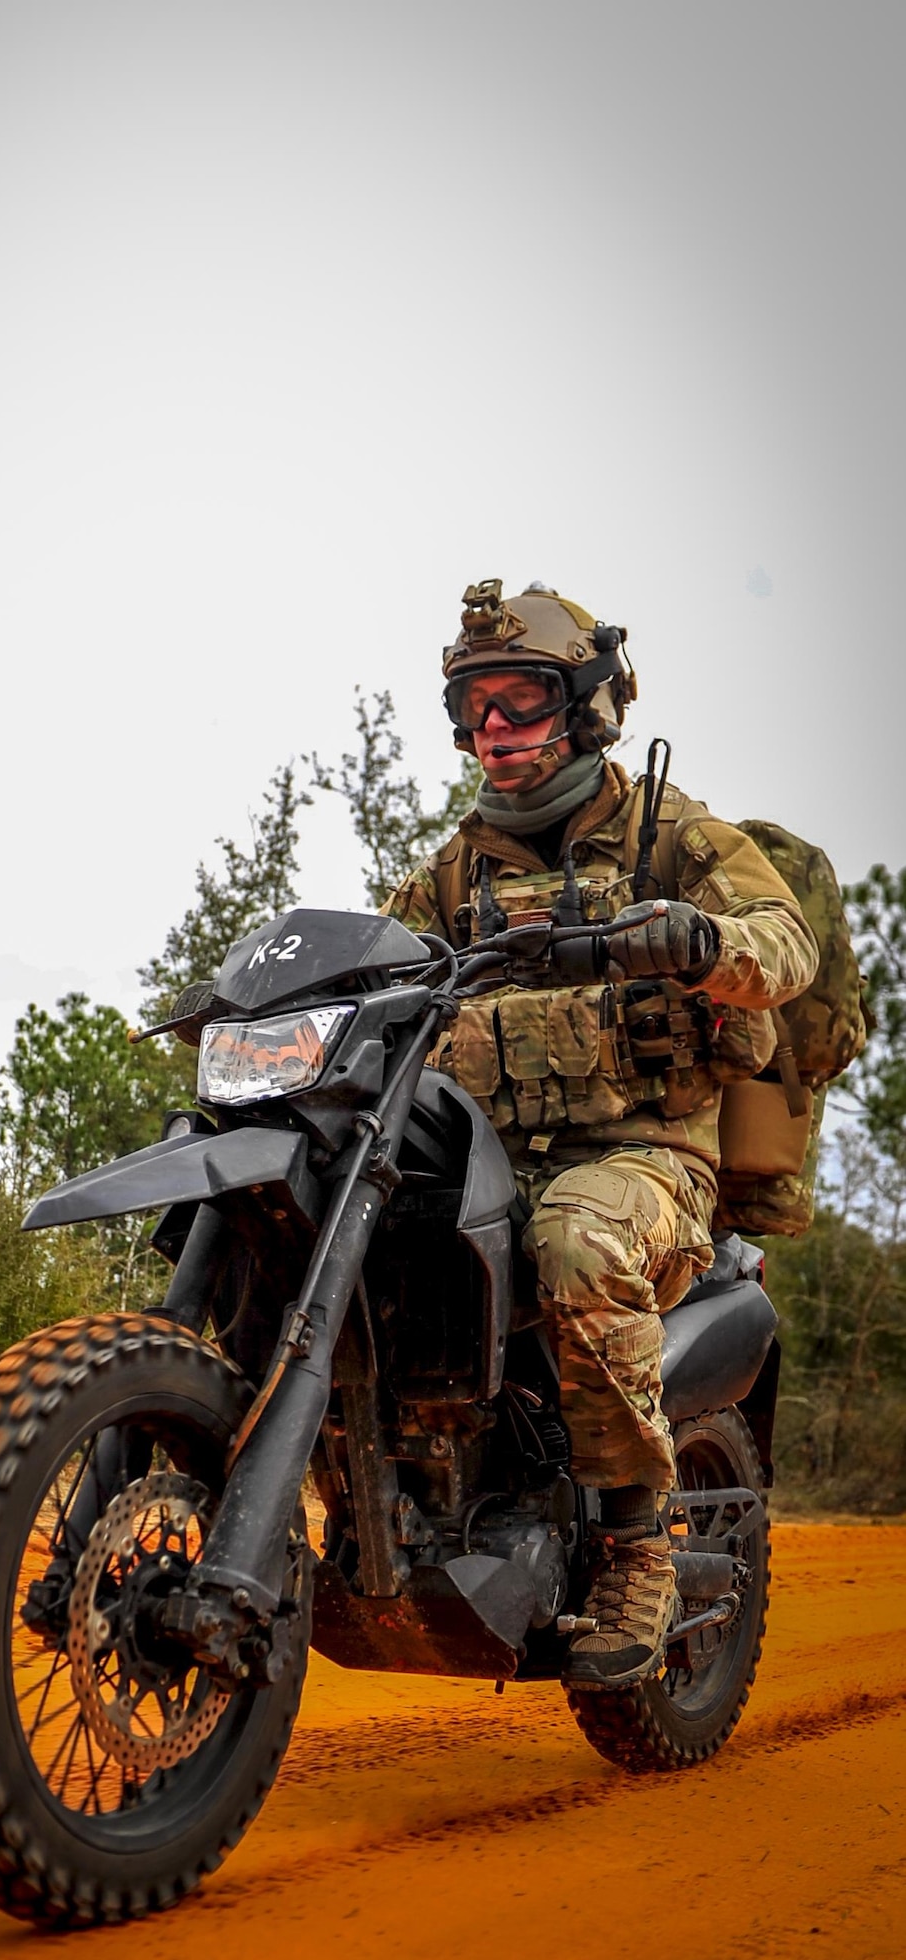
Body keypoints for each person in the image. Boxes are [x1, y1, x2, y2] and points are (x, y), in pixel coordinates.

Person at [381, 579, 818, 1689]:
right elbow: (370, 974)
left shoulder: (668, 832)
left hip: (644, 1161)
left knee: (573, 1238)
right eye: (473, 706)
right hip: (485, 1158)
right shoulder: (450, 873)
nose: (492, 729)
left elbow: (784, 940)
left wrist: (697, 934)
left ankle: (634, 1545)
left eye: (517, 699)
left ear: (584, 705)